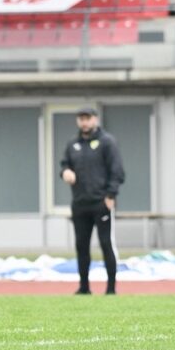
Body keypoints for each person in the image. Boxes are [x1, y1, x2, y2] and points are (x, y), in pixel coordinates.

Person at [60, 106, 125, 295]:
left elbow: (117, 171)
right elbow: (64, 164)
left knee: (106, 244)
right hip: (80, 203)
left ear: (95, 119)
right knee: (81, 245)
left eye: (87, 118)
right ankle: (84, 287)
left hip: (101, 202)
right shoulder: (73, 144)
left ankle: (111, 288)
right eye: (81, 118)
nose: (84, 122)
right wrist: (65, 172)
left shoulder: (107, 142)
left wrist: (111, 195)